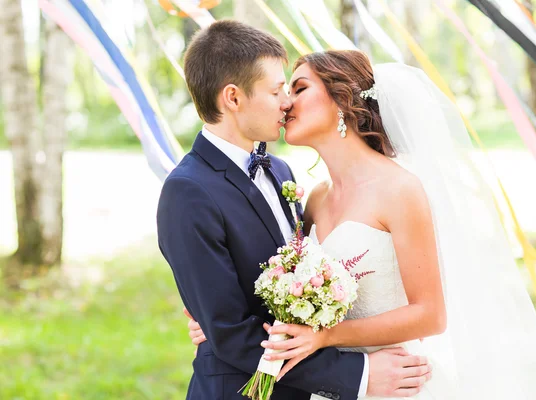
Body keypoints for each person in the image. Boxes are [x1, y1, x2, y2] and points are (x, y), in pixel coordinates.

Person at [186, 49, 536, 399]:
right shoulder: (314, 199)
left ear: (341, 98)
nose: (286, 102)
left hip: (397, 380)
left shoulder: (399, 189)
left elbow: (431, 314)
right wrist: (217, 320)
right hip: (336, 385)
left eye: (299, 88)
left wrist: (327, 336)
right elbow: (290, 282)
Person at [157, 21, 431, 400]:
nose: (286, 101)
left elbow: (298, 275)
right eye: (277, 90)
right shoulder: (187, 192)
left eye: (293, 88)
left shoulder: (280, 171)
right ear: (233, 98)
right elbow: (233, 334)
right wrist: (361, 376)